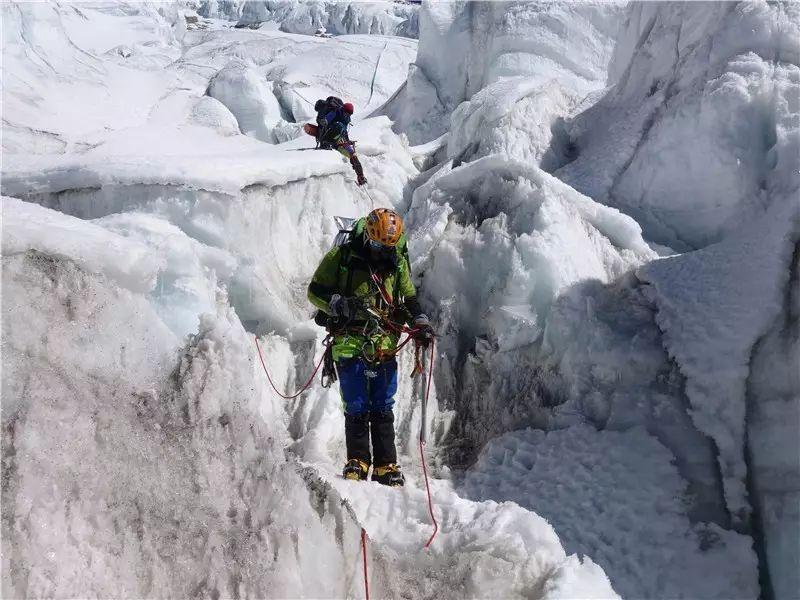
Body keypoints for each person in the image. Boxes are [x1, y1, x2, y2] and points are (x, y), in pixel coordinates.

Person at [307, 208, 434, 486]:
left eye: (386, 247)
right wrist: (337, 303)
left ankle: (386, 464)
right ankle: (358, 459)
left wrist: (420, 320)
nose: (380, 253)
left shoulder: (396, 261)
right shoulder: (342, 258)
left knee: (382, 403)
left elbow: (409, 296)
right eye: (376, 245)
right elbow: (315, 291)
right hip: (348, 339)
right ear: (367, 236)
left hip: (384, 341)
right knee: (355, 403)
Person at [303, 96, 367, 186]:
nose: (347, 115)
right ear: (343, 109)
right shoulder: (336, 111)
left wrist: (347, 141)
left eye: (349, 114)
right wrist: (325, 121)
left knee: (352, 155)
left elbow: (344, 131)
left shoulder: (346, 118)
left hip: (339, 142)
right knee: (338, 127)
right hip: (332, 139)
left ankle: (361, 176)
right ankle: (360, 176)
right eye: (346, 113)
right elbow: (329, 118)